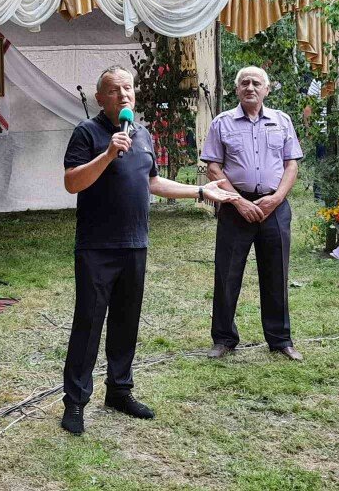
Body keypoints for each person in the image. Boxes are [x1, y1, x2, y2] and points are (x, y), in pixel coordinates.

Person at [61, 65, 240, 435]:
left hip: (135, 244)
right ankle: (75, 402)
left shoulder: (142, 134)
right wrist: (108, 154)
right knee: (88, 324)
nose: (124, 95)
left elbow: (152, 181)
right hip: (97, 247)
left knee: (126, 323)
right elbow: (72, 183)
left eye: (128, 88)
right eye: (114, 90)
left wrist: (200, 191)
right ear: (101, 98)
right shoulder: (87, 133)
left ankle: (119, 391)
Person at [201, 66, 304, 362]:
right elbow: (213, 167)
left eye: (256, 83)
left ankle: (280, 340)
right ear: (236, 90)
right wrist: (238, 201)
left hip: (275, 206)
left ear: (266, 90)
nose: (250, 87)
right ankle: (223, 339)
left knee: (276, 273)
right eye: (244, 83)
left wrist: (277, 198)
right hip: (236, 208)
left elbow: (291, 165)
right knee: (227, 273)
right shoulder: (222, 123)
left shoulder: (282, 121)